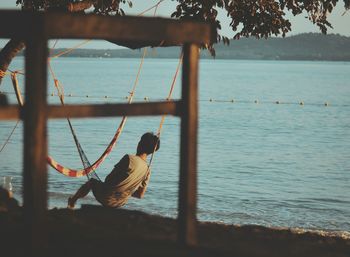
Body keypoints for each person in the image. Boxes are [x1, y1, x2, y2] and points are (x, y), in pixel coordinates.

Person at [67, 132, 160, 209]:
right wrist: (126, 190)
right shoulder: (147, 170)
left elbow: (109, 179)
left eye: (140, 141)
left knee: (91, 182)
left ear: (140, 144)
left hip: (106, 196)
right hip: (119, 203)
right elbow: (140, 195)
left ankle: (73, 201)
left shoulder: (129, 158)